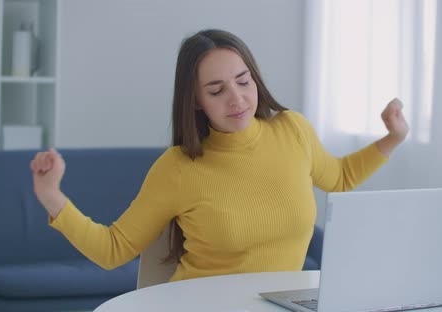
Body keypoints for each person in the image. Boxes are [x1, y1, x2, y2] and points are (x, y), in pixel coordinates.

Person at [30, 29, 409, 282]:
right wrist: (52, 197)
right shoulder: (179, 167)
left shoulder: (292, 129)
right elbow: (114, 250)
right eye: (217, 90)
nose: (238, 99)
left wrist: (393, 137)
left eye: (243, 82)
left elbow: (339, 178)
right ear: (195, 101)